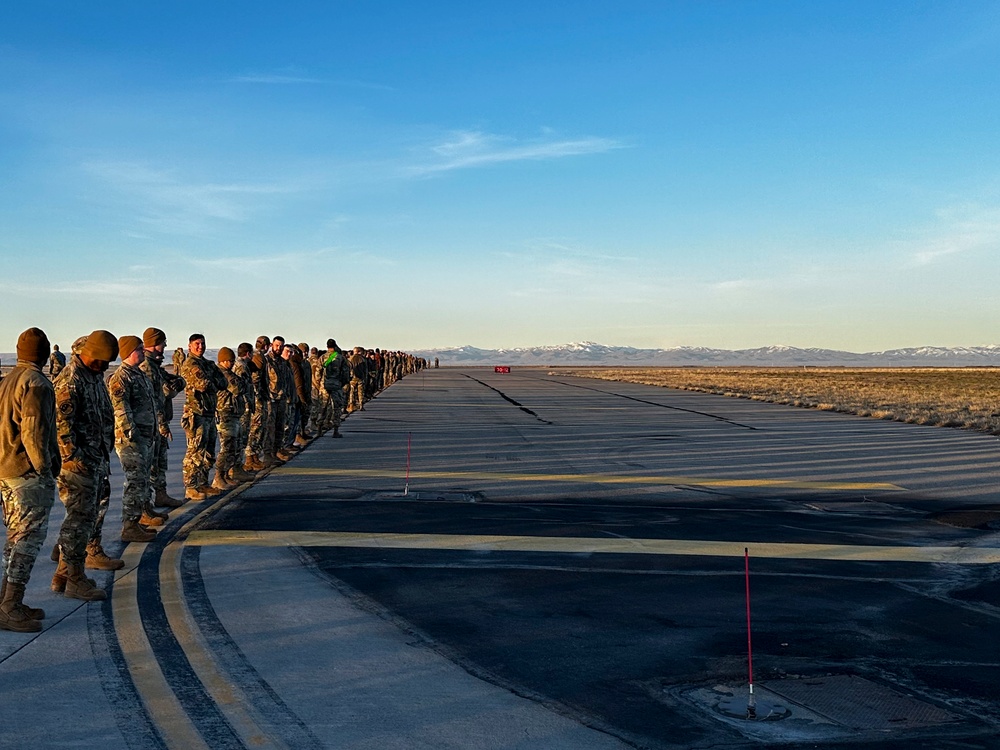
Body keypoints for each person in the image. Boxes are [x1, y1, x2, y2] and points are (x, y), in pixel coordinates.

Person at [0, 328, 61, 631]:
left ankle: (7, 601)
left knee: (15, 537)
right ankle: (11, 605)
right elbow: (33, 432)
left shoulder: (8, 379)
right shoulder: (36, 383)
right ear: (46, 353)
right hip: (25, 473)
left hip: (6, 469)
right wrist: (44, 469)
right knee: (28, 539)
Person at [52, 331, 122, 592]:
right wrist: (74, 457)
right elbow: (60, 426)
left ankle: (62, 574)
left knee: (82, 518)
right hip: (77, 465)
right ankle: (75, 578)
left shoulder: (92, 377)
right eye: (102, 361)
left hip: (94, 458)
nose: (105, 367)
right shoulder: (71, 380)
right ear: (89, 354)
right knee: (79, 520)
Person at [108, 336, 160, 541]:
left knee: (143, 480)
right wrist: (133, 435)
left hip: (145, 437)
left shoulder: (138, 374)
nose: (143, 352)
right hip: (132, 440)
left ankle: (139, 519)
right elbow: (121, 411)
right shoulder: (121, 378)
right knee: (135, 481)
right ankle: (129, 526)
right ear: (129, 352)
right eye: (139, 349)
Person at [139, 327, 186, 509]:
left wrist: (177, 384)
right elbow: (156, 398)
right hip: (154, 423)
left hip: (158, 422)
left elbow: (177, 381)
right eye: (162, 343)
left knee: (160, 462)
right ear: (153, 344)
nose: (165, 346)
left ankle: (160, 495)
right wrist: (162, 424)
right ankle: (147, 505)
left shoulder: (155, 366)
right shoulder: (147, 367)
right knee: (152, 465)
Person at [179, 334, 227, 501]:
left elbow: (223, 383)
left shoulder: (207, 364)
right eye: (197, 344)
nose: (200, 346)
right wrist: (212, 382)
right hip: (196, 413)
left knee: (209, 451)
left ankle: (203, 482)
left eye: (203, 343)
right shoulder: (190, 364)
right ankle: (191, 486)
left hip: (209, 412)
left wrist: (211, 381)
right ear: (190, 346)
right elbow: (203, 384)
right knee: (195, 452)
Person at [213, 347, 249, 489]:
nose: (233, 363)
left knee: (234, 446)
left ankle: (227, 474)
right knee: (227, 446)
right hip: (225, 414)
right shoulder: (223, 374)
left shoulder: (228, 373)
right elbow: (238, 388)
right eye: (230, 361)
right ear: (223, 361)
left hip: (233, 413)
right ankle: (219, 476)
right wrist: (243, 381)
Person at [322, 339, 351, 438]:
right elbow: (345, 373)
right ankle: (335, 430)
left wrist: (321, 384)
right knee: (337, 408)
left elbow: (317, 373)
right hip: (336, 385)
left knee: (322, 407)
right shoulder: (340, 358)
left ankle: (319, 429)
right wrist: (342, 383)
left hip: (324, 385)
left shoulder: (322, 357)